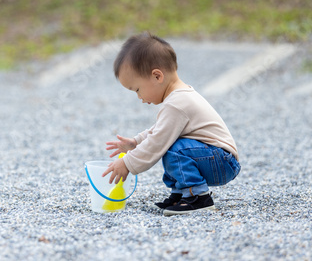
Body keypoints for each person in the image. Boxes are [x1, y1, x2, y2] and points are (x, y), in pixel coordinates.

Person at [102, 32, 241, 215]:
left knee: (174, 148)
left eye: (137, 89)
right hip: (216, 158)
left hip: (221, 161)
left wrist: (127, 163)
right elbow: (160, 130)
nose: (140, 98)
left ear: (157, 76)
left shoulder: (177, 103)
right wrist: (136, 142)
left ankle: (197, 197)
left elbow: (157, 141)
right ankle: (182, 194)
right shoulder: (178, 98)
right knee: (172, 145)